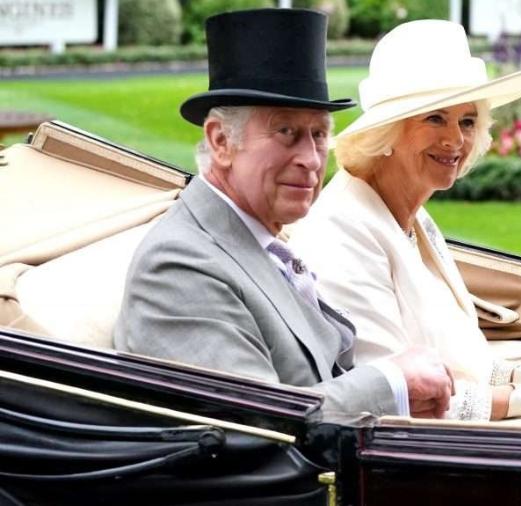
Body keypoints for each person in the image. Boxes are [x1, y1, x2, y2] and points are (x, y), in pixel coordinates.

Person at [114, 9, 453, 420]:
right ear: (221, 141)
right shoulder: (179, 265)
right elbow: (260, 425)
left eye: (319, 134)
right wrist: (392, 382)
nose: (310, 159)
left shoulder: (259, 241)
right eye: (286, 133)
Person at [291, 20, 521, 421]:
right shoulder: (341, 231)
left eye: (467, 121)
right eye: (435, 118)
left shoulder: (414, 218)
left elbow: (462, 361)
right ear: (388, 132)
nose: (455, 140)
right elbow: (396, 400)